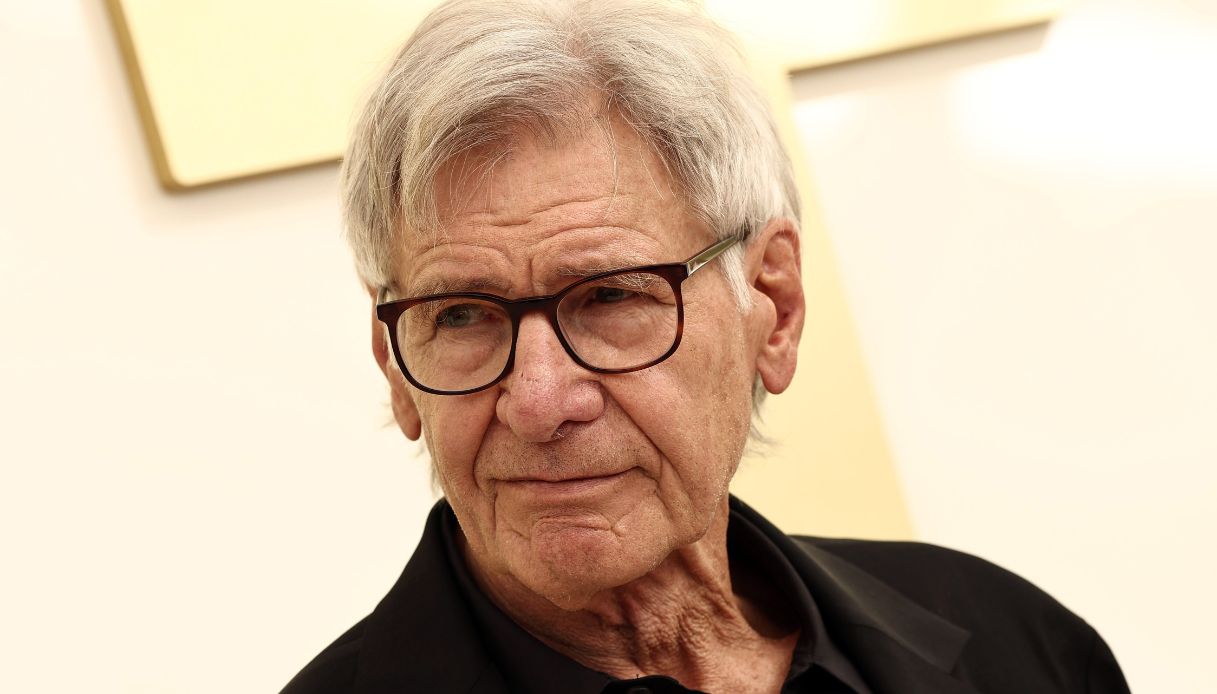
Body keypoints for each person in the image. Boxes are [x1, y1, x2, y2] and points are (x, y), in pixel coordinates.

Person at [281, 1, 1130, 692]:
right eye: (462, 315)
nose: (538, 402)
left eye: (610, 296)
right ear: (394, 366)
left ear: (774, 306)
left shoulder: (1018, 648)